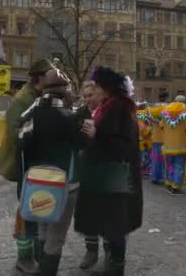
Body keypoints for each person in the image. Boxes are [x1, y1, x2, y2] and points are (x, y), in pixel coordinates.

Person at [74, 66, 143, 275]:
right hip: (107, 176)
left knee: (115, 228)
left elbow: (124, 146)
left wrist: (97, 134)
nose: (94, 90)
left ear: (106, 88)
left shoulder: (119, 107)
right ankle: (107, 262)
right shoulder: (110, 105)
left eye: (97, 86)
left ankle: (114, 269)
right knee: (110, 225)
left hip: (116, 177)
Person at [18, 69, 82, 275]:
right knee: (56, 235)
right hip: (65, 184)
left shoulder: (29, 114)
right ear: (64, 92)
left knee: (42, 227)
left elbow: (21, 146)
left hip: (35, 180)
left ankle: (40, 264)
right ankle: (46, 271)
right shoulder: (70, 117)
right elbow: (80, 145)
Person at [0, 59, 54, 275]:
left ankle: (34, 253)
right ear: (40, 77)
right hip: (24, 163)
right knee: (26, 213)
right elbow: (15, 130)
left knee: (36, 209)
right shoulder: (24, 99)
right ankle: (24, 258)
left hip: (36, 164)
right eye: (51, 75)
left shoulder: (37, 95)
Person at [75, 81, 106, 271]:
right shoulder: (79, 114)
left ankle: (112, 253)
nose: (87, 99)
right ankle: (91, 250)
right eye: (85, 96)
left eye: (90, 95)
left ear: (100, 95)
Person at [160, 101, 186, 195]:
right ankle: (175, 187)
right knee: (178, 167)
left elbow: (161, 126)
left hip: (168, 146)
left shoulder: (165, 115)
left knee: (170, 166)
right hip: (181, 147)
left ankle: (169, 183)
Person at [148, 104, 166, 185]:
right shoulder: (164, 119)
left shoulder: (153, 118)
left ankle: (154, 177)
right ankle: (161, 177)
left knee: (155, 160)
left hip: (155, 140)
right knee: (162, 160)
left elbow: (149, 120)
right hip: (163, 140)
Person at [137, 108, 152, 177]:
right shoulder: (142, 118)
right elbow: (144, 132)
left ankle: (141, 169)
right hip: (144, 142)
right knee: (144, 157)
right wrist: (149, 130)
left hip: (140, 142)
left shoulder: (135, 116)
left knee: (141, 157)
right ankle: (144, 170)